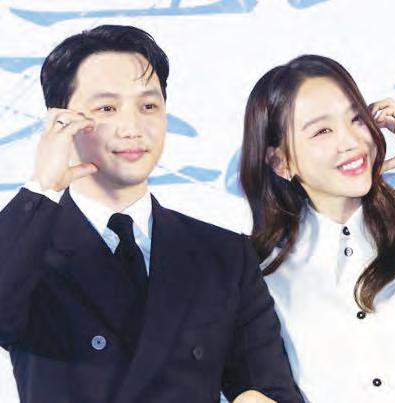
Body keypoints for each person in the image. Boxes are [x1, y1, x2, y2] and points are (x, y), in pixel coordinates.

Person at [0, 25, 304, 403]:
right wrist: (43, 185)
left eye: (148, 106)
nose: (133, 128)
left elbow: (271, 389)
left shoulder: (223, 254)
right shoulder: (28, 246)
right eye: (107, 108)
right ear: (59, 121)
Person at [239, 54, 395, 403]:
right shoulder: (263, 274)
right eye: (322, 131)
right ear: (280, 162)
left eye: (357, 119)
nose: (351, 142)